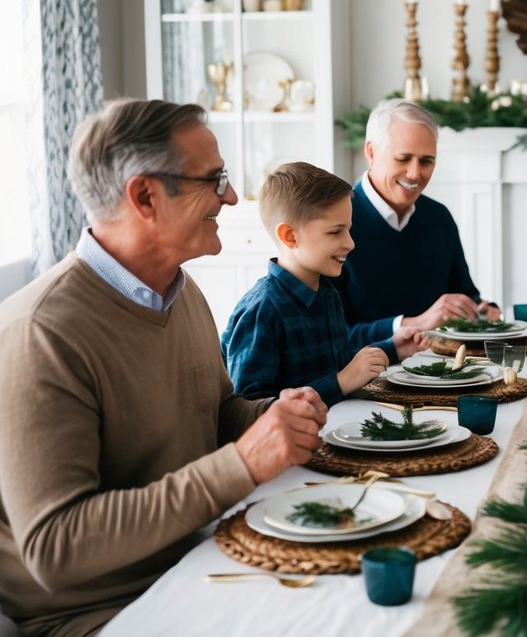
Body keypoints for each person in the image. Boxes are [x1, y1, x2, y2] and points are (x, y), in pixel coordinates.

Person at [0, 99, 328, 635]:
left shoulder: (181, 290)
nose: (232, 195)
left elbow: (217, 413)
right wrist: (243, 463)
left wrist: (274, 417)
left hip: (202, 562)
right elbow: (55, 546)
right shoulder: (40, 333)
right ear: (145, 196)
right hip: (103, 613)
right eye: (214, 178)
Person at [223, 162, 412, 406]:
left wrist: (392, 348)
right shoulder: (262, 310)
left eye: (349, 230)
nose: (350, 243)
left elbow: (339, 366)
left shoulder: (328, 295)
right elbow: (249, 409)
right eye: (335, 232)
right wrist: (341, 381)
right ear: (290, 236)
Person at [337, 100, 498, 347]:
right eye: (403, 159)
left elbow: (465, 293)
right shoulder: (334, 224)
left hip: (439, 372)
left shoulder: (439, 217)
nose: (415, 174)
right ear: (371, 152)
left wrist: (480, 310)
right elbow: (328, 336)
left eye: (426, 161)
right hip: (366, 378)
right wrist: (412, 323)